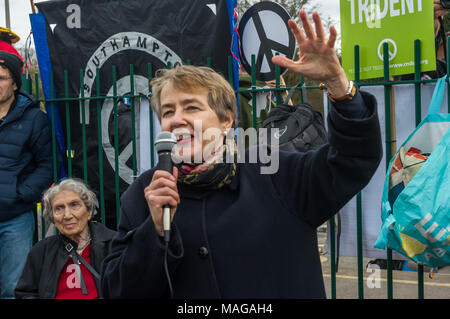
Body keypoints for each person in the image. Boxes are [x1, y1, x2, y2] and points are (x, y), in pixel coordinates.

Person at [101, 10, 382, 298]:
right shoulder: (144, 195)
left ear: (226, 121)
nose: (176, 119)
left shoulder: (276, 173)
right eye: (168, 111)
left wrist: (338, 86)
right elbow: (117, 290)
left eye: (192, 107)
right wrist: (154, 231)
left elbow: (353, 161)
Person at [0, 51, 53, 299]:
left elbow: (48, 164)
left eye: (1, 78)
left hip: (14, 218)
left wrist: (20, 195)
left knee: (15, 288)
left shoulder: (34, 119)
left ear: (14, 83)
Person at [15, 178, 117, 299]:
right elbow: (25, 294)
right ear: (52, 217)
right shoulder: (41, 251)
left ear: (89, 211)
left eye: (74, 205)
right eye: (59, 208)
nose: (67, 215)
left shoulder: (113, 244)